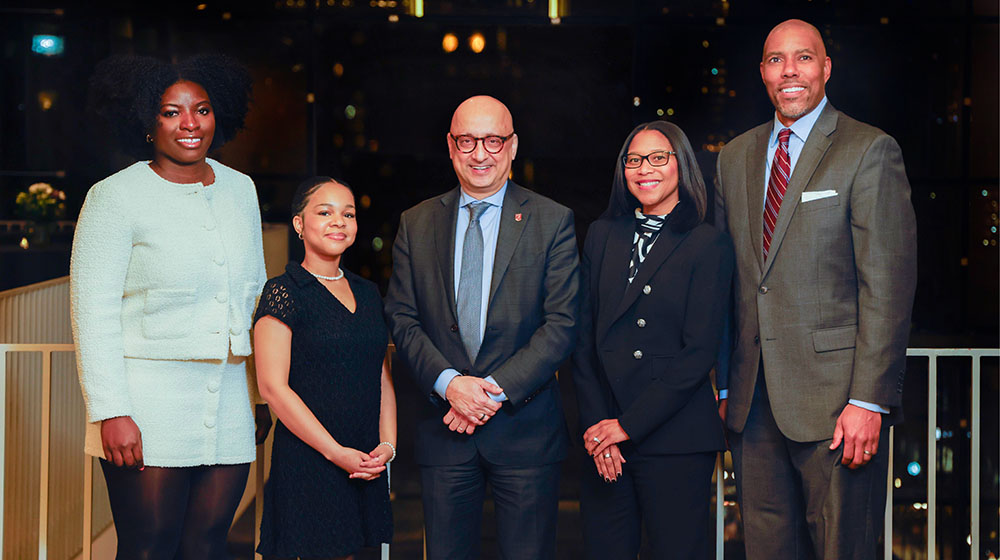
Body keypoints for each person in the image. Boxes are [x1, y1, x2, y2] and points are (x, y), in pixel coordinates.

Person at [714, 19, 918, 559]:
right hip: (753, 405)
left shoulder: (868, 149)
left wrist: (868, 400)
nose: (789, 71)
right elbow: (730, 282)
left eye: (803, 58)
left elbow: (888, 286)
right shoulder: (733, 159)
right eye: (776, 59)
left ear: (826, 69)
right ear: (762, 73)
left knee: (841, 549)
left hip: (836, 407)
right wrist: (725, 386)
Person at [71, 54, 270, 559]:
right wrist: (111, 411)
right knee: (148, 547)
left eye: (201, 110)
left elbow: (255, 295)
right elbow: (91, 312)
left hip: (229, 399)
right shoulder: (113, 197)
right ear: (145, 121)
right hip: (145, 405)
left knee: (205, 546)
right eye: (171, 112)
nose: (190, 124)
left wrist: (263, 393)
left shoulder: (240, 190)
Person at [384, 95, 580, 560]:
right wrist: (451, 385)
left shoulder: (552, 221)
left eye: (493, 140)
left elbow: (562, 324)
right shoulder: (417, 223)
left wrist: (486, 392)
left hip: (526, 432)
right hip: (445, 432)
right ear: (451, 147)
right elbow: (402, 318)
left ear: (512, 147)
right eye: (468, 141)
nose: (480, 153)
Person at [573, 120, 734, 559]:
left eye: (658, 157)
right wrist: (598, 429)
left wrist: (627, 426)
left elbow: (698, 353)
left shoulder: (708, 244)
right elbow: (583, 342)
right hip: (604, 437)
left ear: (681, 165)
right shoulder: (603, 235)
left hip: (675, 438)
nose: (645, 168)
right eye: (634, 159)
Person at [252, 177, 395, 559]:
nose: (339, 221)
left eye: (348, 213)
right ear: (299, 224)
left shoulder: (367, 292)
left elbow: (379, 374)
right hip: (310, 458)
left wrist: (387, 445)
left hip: (364, 459)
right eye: (325, 212)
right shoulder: (284, 291)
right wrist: (335, 452)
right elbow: (273, 388)